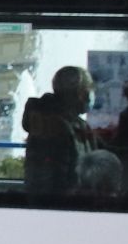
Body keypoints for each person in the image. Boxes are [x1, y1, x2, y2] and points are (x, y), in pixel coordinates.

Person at [21, 66, 92, 197]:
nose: (90, 95)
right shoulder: (55, 125)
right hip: (59, 204)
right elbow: (57, 176)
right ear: (78, 93)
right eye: (88, 90)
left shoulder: (72, 123)